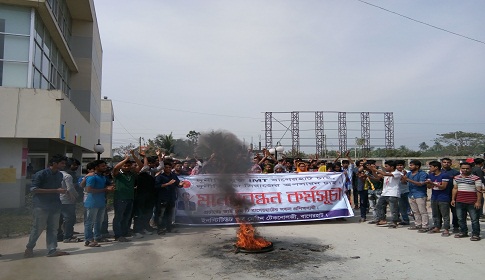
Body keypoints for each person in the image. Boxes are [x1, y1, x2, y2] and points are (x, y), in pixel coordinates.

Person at [24, 154, 70, 258]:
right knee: (38, 228)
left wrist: (62, 191)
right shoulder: (41, 174)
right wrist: (55, 190)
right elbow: (34, 190)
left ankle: (52, 250)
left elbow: (58, 189)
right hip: (41, 205)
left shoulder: (59, 175)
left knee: (53, 229)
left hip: (55, 205)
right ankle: (29, 248)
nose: (64, 165)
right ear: (54, 163)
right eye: (62, 163)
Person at [112, 151, 143, 240]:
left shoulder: (132, 174)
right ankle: (117, 235)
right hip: (120, 198)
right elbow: (115, 167)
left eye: (128, 165)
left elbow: (140, 166)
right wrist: (126, 159)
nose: (126, 167)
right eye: (125, 165)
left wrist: (133, 156)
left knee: (127, 217)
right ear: (122, 166)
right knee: (118, 217)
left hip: (130, 198)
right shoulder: (117, 174)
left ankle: (124, 233)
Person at [84, 160, 115, 247]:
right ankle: (88, 240)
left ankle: (97, 237)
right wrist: (105, 189)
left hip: (101, 202)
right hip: (92, 203)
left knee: (99, 221)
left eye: (105, 166)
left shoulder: (103, 177)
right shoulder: (92, 177)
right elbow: (88, 189)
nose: (105, 167)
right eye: (102, 166)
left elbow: (105, 186)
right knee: (90, 222)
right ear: (96, 167)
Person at [451, 162, 483, 241]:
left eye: (467, 168)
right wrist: (453, 199)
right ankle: (463, 232)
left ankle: (475, 234)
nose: (465, 170)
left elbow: (479, 191)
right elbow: (455, 189)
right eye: (463, 168)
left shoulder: (476, 178)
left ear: (471, 169)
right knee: (461, 219)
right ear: (460, 169)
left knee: (474, 219)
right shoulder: (456, 178)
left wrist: (478, 202)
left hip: (472, 202)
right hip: (460, 201)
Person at [369, 160, 401, 228]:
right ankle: (382, 219)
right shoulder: (386, 173)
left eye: (386, 166)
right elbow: (377, 177)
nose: (385, 168)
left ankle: (395, 221)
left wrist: (375, 169)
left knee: (393, 209)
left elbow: (384, 174)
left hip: (393, 193)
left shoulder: (397, 173)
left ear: (392, 167)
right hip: (385, 193)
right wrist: (373, 170)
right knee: (379, 206)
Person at [154, 162, 181, 234]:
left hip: (171, 198)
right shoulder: (160, 176)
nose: (168, 169)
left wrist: (181, 184)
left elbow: (177, 183)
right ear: (164, 168)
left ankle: (169, 228)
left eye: (169, 167)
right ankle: (160, 229)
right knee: (161, 215)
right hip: (163, 198)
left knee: (170, 214)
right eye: (166, 167)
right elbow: (156, 186)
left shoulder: (173, 175)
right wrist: (167, 184)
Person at [426, 161, 451, 236]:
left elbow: (443, 187)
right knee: (435, 214)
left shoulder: (444, 175)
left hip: (443, 197)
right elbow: (429, 187)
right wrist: (428, 183)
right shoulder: (431, 175)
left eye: (431, 166)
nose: (429, 168)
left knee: (445, 214)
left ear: (436, 167)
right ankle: (437, 227)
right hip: (434, 197)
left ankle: (446, 229)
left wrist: (433, 183)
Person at [403, 160, 429, 232]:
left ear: (417, 166)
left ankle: (425, 226)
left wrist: (408, 179)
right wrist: (403, 177)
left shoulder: (422, 174)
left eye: (412, 165)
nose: (410, 167)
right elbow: (404, 182)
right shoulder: (409, 174)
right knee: (415, 211)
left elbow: (420, 184)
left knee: (422, 211)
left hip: (420, 194)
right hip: (411, 194)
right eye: (410, 165)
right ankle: (418, 224)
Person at [59, 164, 80, 243]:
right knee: (69, 219)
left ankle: (59, 235)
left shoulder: (57, 174)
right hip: (67, 199)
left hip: (57, 199)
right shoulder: (67, 176)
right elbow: (70, 188)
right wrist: (76, 195)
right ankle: (68, 236)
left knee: (59, 219)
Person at [441, 157, 460, 233]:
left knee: (455, 212)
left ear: (451, 163)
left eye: (448, 162)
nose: (446, 164)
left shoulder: (455, 172)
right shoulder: (438, 172)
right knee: (442, 212)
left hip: (453, 195)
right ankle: (442, 226)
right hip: (442, 195)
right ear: (442, 163)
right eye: (444, 162)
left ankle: (456, 226)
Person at [395, 160, 410, 225]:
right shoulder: (394, 173)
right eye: (398, 165)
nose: (399, 166)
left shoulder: (408, 172)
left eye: (401, 165)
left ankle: (417, 220)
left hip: (408, 191)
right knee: (402, 207)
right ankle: (405, 220)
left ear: (404, 166)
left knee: (411, 207)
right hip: (399, 192)